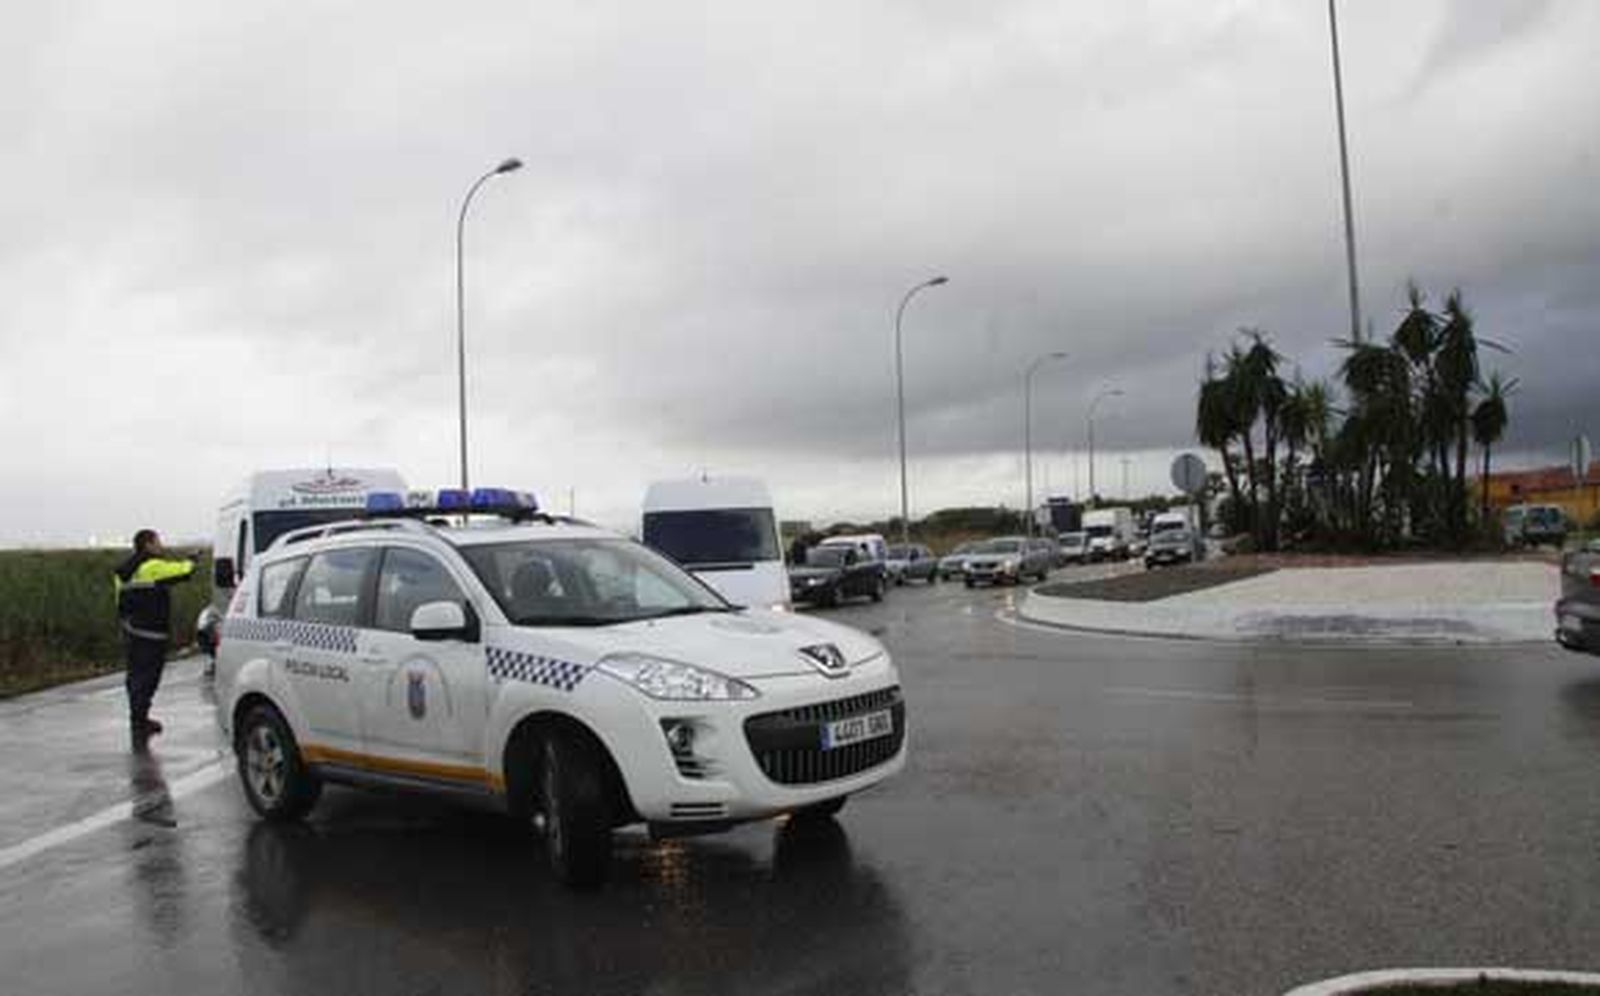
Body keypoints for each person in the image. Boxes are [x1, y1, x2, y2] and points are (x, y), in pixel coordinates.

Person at [113, 529, 196, 738]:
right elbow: (182, 571)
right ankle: (140, 721)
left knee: (134, 676)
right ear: (148, 545)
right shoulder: (150, 566)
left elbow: (120, 600)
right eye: (157, 541)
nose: (161, 545)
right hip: (151, 632)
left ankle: (137, 717)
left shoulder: (123, 570)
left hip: (132, 629)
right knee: (148, 677)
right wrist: (192, 560)